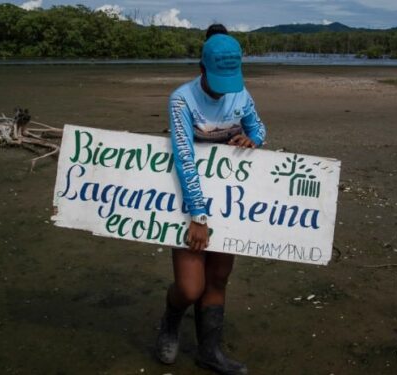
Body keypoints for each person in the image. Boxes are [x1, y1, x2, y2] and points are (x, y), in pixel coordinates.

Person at [155, 25, 267, 375]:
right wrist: (198, 216)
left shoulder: (241, 95)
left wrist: (252, 140)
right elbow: (184, 155)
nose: (223, 89)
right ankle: (170, 323)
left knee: (218, 279)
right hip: (188, 203)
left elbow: (259, 128)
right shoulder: (181, 99)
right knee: (190, 288)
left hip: (228, 201)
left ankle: (209, 352)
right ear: (202, 69)